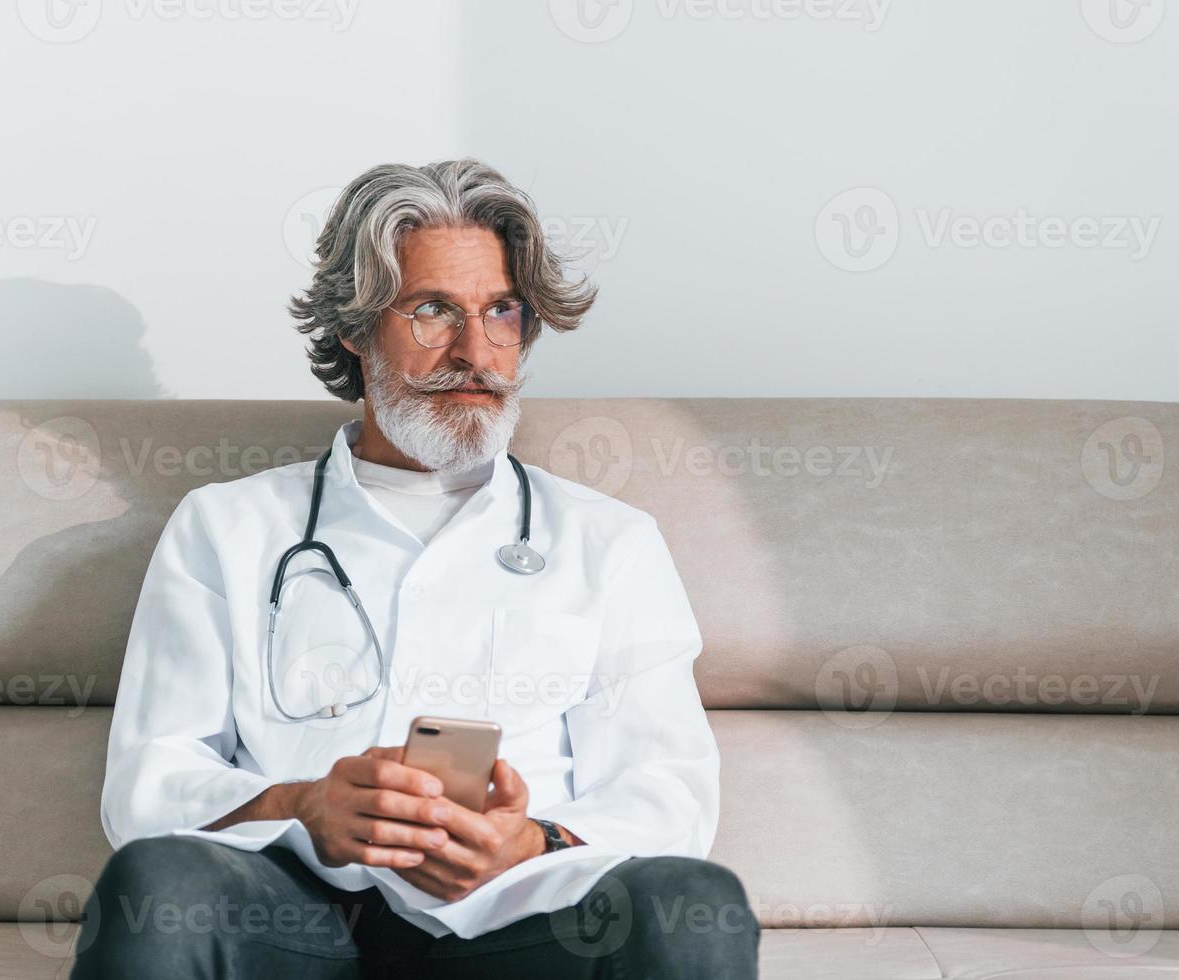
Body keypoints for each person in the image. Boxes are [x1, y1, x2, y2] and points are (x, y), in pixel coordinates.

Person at [71, 159, 760, 978]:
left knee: (696, 907)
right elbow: (150, 783)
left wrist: (534, 839)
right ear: (354, 330)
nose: (476, 350)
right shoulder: (228, 527)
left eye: (500, 311)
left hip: (523, 915)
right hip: (288, 911)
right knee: (157, 885)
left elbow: (668, 792)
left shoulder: (608, 540)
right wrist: (301, 806)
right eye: (434, 309)